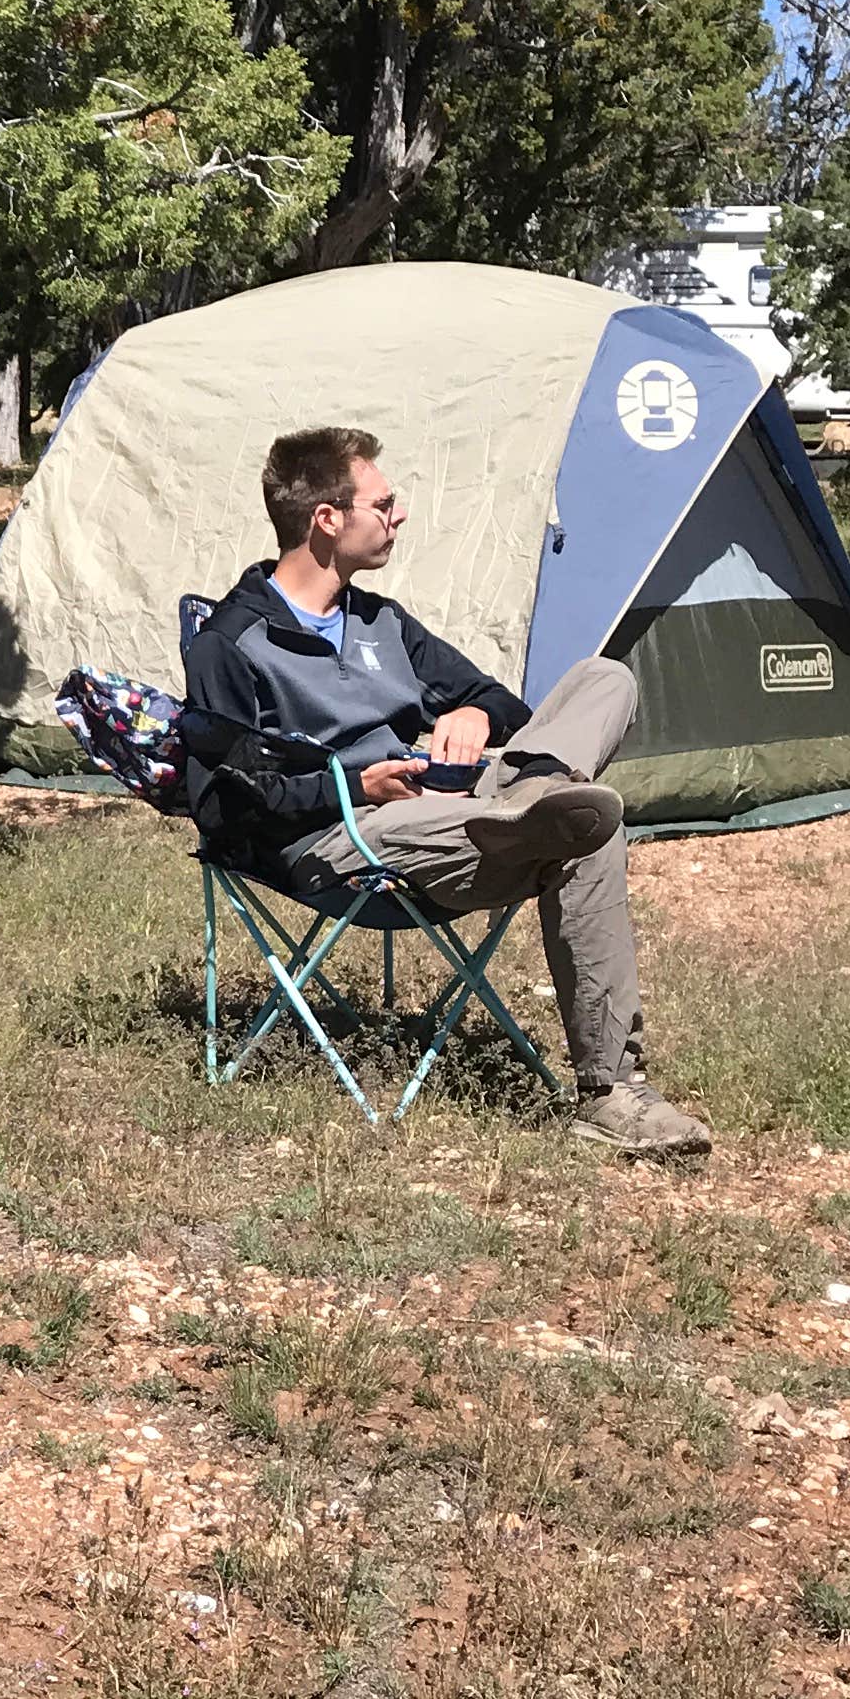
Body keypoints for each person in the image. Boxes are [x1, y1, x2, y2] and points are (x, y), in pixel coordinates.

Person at [179, 422, 711, 1157]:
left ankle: (529, 810)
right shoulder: (232, 645)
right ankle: (609, 1088)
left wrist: (468, 711)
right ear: (327, 520)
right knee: (593, 830)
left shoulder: (382, 623)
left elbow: (505, 708)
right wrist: (351, 784)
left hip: (446, 809)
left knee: (605, 680)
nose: (400, 517)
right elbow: (220, 805)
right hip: (347, 838)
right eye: (385, 504)